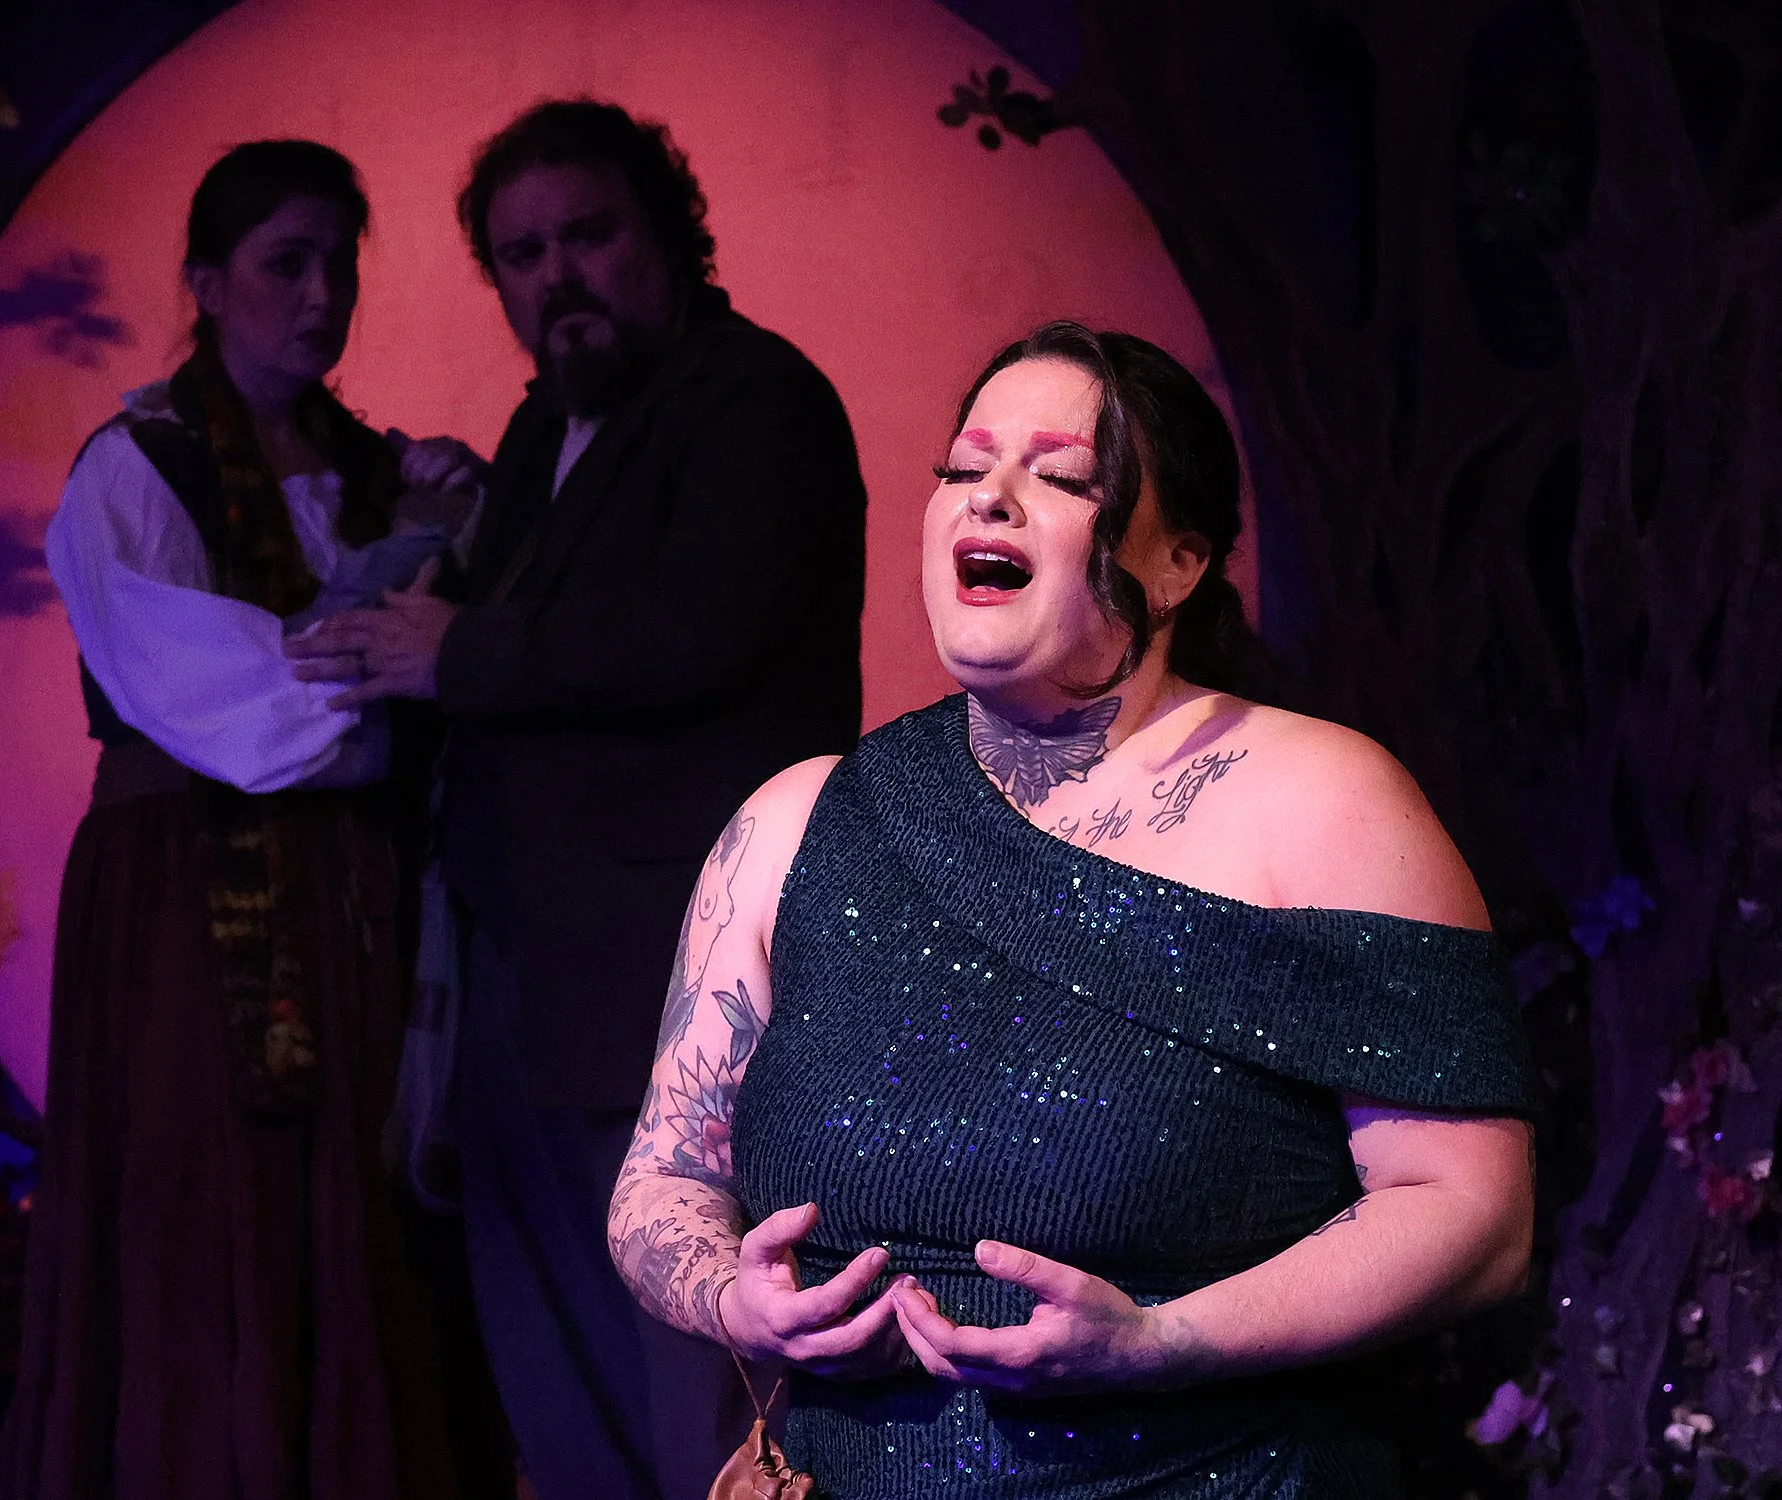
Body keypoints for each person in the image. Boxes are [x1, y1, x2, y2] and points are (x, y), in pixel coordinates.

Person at [607, 322, 1537, 1497]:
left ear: (1178, 563)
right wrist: (731, 1299)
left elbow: (1473, 1216)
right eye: (964, 466)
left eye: (1058, 477)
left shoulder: (1323, 804)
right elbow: (660, 1183)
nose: (989, 497)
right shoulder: (796, 824)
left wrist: (1161, 1344)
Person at [288, 100, 868, 1500]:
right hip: (527, 974)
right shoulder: (549, 420)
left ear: (669, 232)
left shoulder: (756, 398)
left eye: (589, 235)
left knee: (695, 1381)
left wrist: (458, 652)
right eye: (522, 253)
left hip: (675, 978)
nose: (558, 276)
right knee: (553, 1376)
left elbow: (692, 629)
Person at [2, 140, 498, 1500]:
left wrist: (453, 533)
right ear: (209, 284)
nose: (322, 293)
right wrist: (409, 619)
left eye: (340, 262)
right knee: (207, 1195)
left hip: (357, 893)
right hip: (187, 898)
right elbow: (256, 701)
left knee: (359, 1197)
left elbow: (421, 663)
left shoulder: (380, 470)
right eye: (287, 262)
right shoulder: (138, 469)